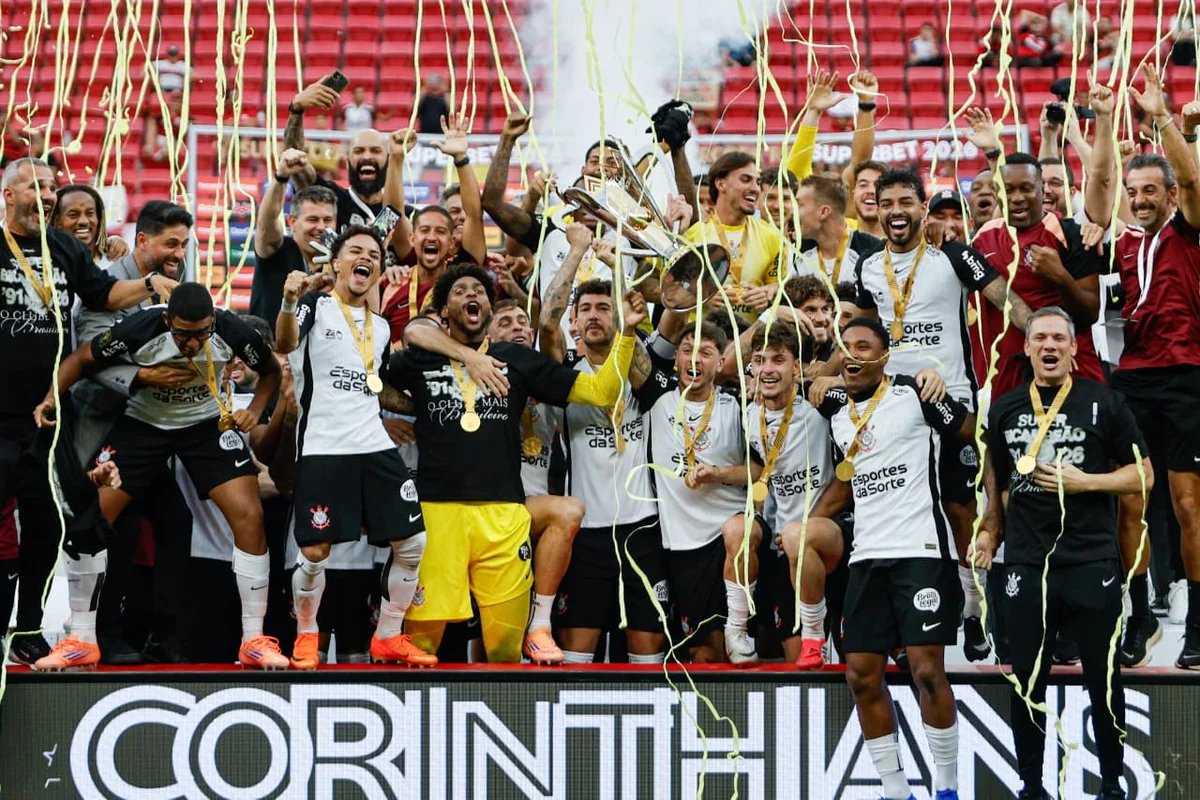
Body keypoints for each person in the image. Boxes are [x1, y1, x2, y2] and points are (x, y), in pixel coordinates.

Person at [387, 264, 642, 663]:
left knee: (505, 651)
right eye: (460, 291)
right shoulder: (420, 357)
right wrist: (393, 416)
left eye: (479, 290)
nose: (472, 295)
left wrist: (627, 334)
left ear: (487, 309)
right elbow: (373, 379)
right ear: (444, 310)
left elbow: (602, 391)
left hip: (504, 516)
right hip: (437, 515)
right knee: (421, 647)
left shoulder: (517, 359)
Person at [32, 283, 282, 669]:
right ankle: (80, 638)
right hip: (144, 425)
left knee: (250, 516)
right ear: (167, 321)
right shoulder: (143, 328)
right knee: (89, 519)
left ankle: (253, 640)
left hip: (206, 425)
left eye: (202, 333)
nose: (194, 344)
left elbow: (270, 371)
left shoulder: (232, 330)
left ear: (212, 321)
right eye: (183, 334)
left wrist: (257, 407)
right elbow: (82, 359)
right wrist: (50, 398)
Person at [0, 157, 176, 666]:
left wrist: (147, 284)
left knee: (46, 526)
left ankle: (28, 628)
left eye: (51, 186)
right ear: (9, 195)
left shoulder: (63, 247)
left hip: (48, 417)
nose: (48, 195)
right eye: (36, 187)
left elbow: (104, 294)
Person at [853, 169, 1035, 660]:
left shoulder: (953, 257)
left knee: (960, 508)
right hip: (891, 405)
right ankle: (906, 616)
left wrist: (1040, 332)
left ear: (922, 207)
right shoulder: (867, 268)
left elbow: (1004, 298)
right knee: (902, 508)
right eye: (886, 202)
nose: (896, 211)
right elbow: (854, 332)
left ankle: (975, 608)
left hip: (951, 399)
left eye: (906, 202)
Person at [975, 307, 1150, 800]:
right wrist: (990, 531)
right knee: (1028, 684)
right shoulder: (1004, 407)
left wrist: (1087, 481)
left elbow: (1145, 475)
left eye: (1059, 339)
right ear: (1027, 349)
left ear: (1074, 349)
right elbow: (998, 485)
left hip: (1091, 560)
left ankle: (1113, 784)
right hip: (1027, 564)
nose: (1049, 347)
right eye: (1040, 339)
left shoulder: (1105, 402)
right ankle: (1031, 785)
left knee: (1104, 681)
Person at [816, 317, 974, 800]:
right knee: (861, 675)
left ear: (886, 357)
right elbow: (846, 479)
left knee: (927, 672)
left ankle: (946, 788)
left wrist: (940, 388)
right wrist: (803, 528)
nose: (855, 355)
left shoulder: (912, 393)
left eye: (866, 346)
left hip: (920, 552)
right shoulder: (839, 416)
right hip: (866, 558)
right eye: (847, 348)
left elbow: (969, 431)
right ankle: (895, 790)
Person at [274, 225, 432, 669]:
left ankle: (388, 634)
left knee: (413, 541)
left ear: (380, 271)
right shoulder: (313, 305)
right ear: (337, 263)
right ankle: (307, 634)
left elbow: (371, 384)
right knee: (316, 552)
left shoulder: (380, 328)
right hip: (325, 446)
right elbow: (283, 343)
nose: (367, 259)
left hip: (373, 445)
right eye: (356, 252)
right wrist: (289, 300)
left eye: (375, 256)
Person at [1090, 66, 1200, 670]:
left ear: (1171, 195)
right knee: (1131, 501)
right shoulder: (1123, 242)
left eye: (1150, 191)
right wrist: (1104, 127)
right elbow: (1098, 191)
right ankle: (1139, 615)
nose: (1140, 200)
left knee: (1187, 505)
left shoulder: (1189, 229)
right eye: (1134, 193)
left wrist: (1161, 115)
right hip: (1129, 377)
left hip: (1186, 375)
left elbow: (1189, 170)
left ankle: (1198, 628)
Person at [539, 225, 686, 665]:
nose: (595, 316)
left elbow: (676, 308)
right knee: (575, 656)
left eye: (605, 307)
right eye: (586, 309)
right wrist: (579, 250)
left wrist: (621, 277)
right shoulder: (564, 371)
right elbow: (547, 320)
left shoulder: (643, 361)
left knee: (646, 654)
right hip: (585, 535)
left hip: (644, 529)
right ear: (575, 321)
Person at [631, 322, 750, 663]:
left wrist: (719, 474)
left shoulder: (737, 407)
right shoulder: (657, 398)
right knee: (704, 652)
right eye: (687, 350)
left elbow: (758, 471)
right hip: (683, 545)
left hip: (727, 539)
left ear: (721, 364)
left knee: (738, 648)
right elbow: (630, 358)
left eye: (705, 352)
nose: (694, 358)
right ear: (676, 359)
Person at [484, 297, 581, 665]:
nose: (517, 328)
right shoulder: (478, 375)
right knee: (492, 642)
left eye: (523, 322)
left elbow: (552, 328)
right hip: (490, 511)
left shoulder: (546, 380)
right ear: (488, 335)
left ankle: (540, 626)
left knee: (568, 512)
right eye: (505, 321)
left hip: (533, 512)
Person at [970, 150, 1105, 400]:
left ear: (1042, 190)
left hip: (1072, 377)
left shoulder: (1073, 235)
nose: (1018, 198)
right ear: (999, 194)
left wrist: (1061, 277)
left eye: (1027, 188)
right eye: (1009, 190)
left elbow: (1090, 314)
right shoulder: (982, 240)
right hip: (1006, 383)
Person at [745, 326, 841, 667]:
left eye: (779, 360)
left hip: (830, 536)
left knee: (855, 660)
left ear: (797, 368)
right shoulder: (748, 418)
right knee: (801, 661)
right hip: (784, 550)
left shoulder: (820, 410)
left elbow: (846, 478)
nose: (768, 369)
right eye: (760, 361)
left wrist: (834, 380)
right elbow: (760, 473)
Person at [72, 200, 193, 464]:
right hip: (103, 420)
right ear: (142, 240)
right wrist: (143, 376)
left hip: (156, 424)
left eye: (184, 245)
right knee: (91, 502)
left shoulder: (174, 274)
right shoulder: (107, 288)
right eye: (171, 244)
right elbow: (89, 353)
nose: (180, 254)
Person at [286, 75, 408, 230]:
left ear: (389, 160)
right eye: (359, 151)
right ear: (347, 160)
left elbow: (392, 223)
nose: (367, 156)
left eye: (376, 151)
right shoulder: (331, 199)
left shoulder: (401, 215)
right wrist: (296, 110)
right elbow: (294, 160)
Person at [685, 151, 784, 324]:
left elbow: (778, 286)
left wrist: (768, 293)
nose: (755, 188)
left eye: (758, 182)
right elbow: (666, 287)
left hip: (749, 343)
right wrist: (701, 296)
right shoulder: (693, 233)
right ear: (720, 183)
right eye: (746, 180)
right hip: (701, 341)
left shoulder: (771, 236)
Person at [249, 149, 337, 325]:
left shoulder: (341, 262)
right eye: (312, 219)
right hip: (271, 349)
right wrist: (281, 178)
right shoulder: (278, 250)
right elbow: (267, 223)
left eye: (327, 220)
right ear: (292, 221)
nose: (321, 227)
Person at [793, 173, 882, 283]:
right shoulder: (795, 252)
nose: (794, 212)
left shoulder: (874, 252)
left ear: (824, 212)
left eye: (800, 205)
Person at [50, 184, 128, 267]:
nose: (84, 221)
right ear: (57, 221)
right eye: (73, 215)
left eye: (90, 213)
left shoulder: (116, 260)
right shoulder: (44, 263)